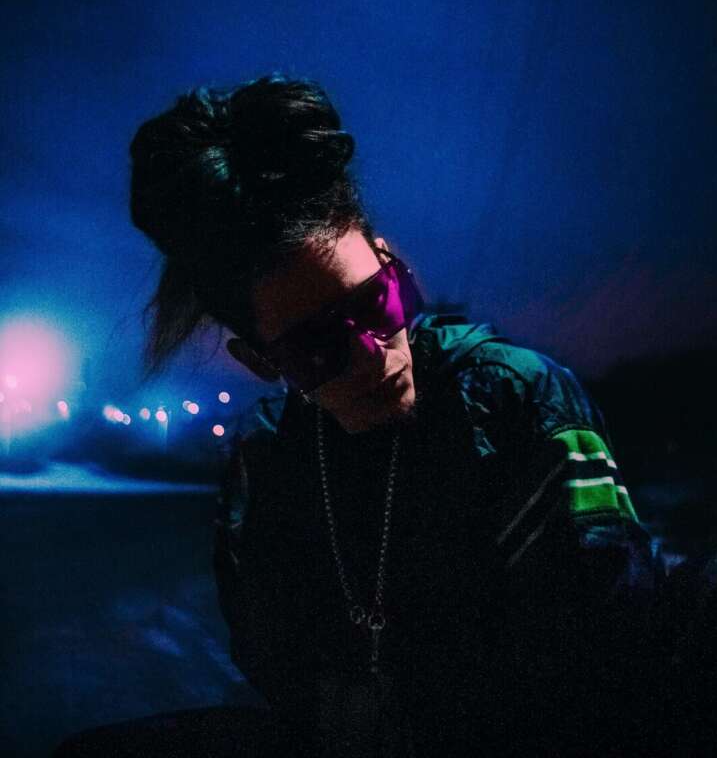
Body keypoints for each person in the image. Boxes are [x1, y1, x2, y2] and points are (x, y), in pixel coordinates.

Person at [57, 73, 667, 757]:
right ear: (260, 361)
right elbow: (270, 656)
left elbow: (613, 647)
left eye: (376, 301)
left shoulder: (512, 399)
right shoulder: (268, 457)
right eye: (315, 345)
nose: (371, 355)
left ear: (388, 262)